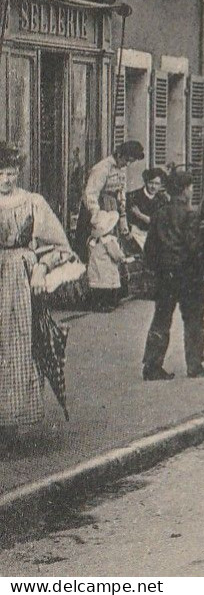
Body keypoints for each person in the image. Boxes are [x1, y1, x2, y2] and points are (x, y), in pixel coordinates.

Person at [0, 143, 75, 441]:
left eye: (11, 173)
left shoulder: (32, 202)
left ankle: (10, 423)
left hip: (20, 278)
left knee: (18, 344)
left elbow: (59, 245)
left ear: (18, 172)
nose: (6, 180)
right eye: (1, 174)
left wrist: (41, 268)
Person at [141, 171, 204, 380]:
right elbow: (194, 247)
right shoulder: (190, 215)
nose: (192, 191)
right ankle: (195, 366)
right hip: (188, 276)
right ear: (185, 190)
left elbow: (149, 248)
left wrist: (156, 270)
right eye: (190, 187)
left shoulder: (160, 213)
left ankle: (152, 366)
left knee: (161, 319)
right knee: (193, 320)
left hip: (165, 274)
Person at [74, 141, 143, 261]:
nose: (127, 163)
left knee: (112, 248)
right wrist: (97, 217)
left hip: (112, 211)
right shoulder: (102, 168)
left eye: (130, 162)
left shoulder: (121, 169)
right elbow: (90, 194)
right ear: (119, 154)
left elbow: (121, 192)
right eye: (126, 159)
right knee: (94, 249)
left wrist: (122, 215)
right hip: (97, 212)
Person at [85, 210, 127, 313]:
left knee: (98, 288)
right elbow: (116, 254)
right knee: (108, 287)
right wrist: (122, 258)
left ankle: (98, 304)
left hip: (95, 269)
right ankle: (107, 304)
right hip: (106, 270)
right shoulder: (109, 241)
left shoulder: (92, 240)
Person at [126, 168, 167, 254]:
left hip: (155, 236)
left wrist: (140, 215)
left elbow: (160, 221)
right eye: (151, 183)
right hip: (136, 236)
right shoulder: (134, 196)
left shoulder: (163, 199)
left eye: (157, 184)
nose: (153, 186)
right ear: (146, 182)